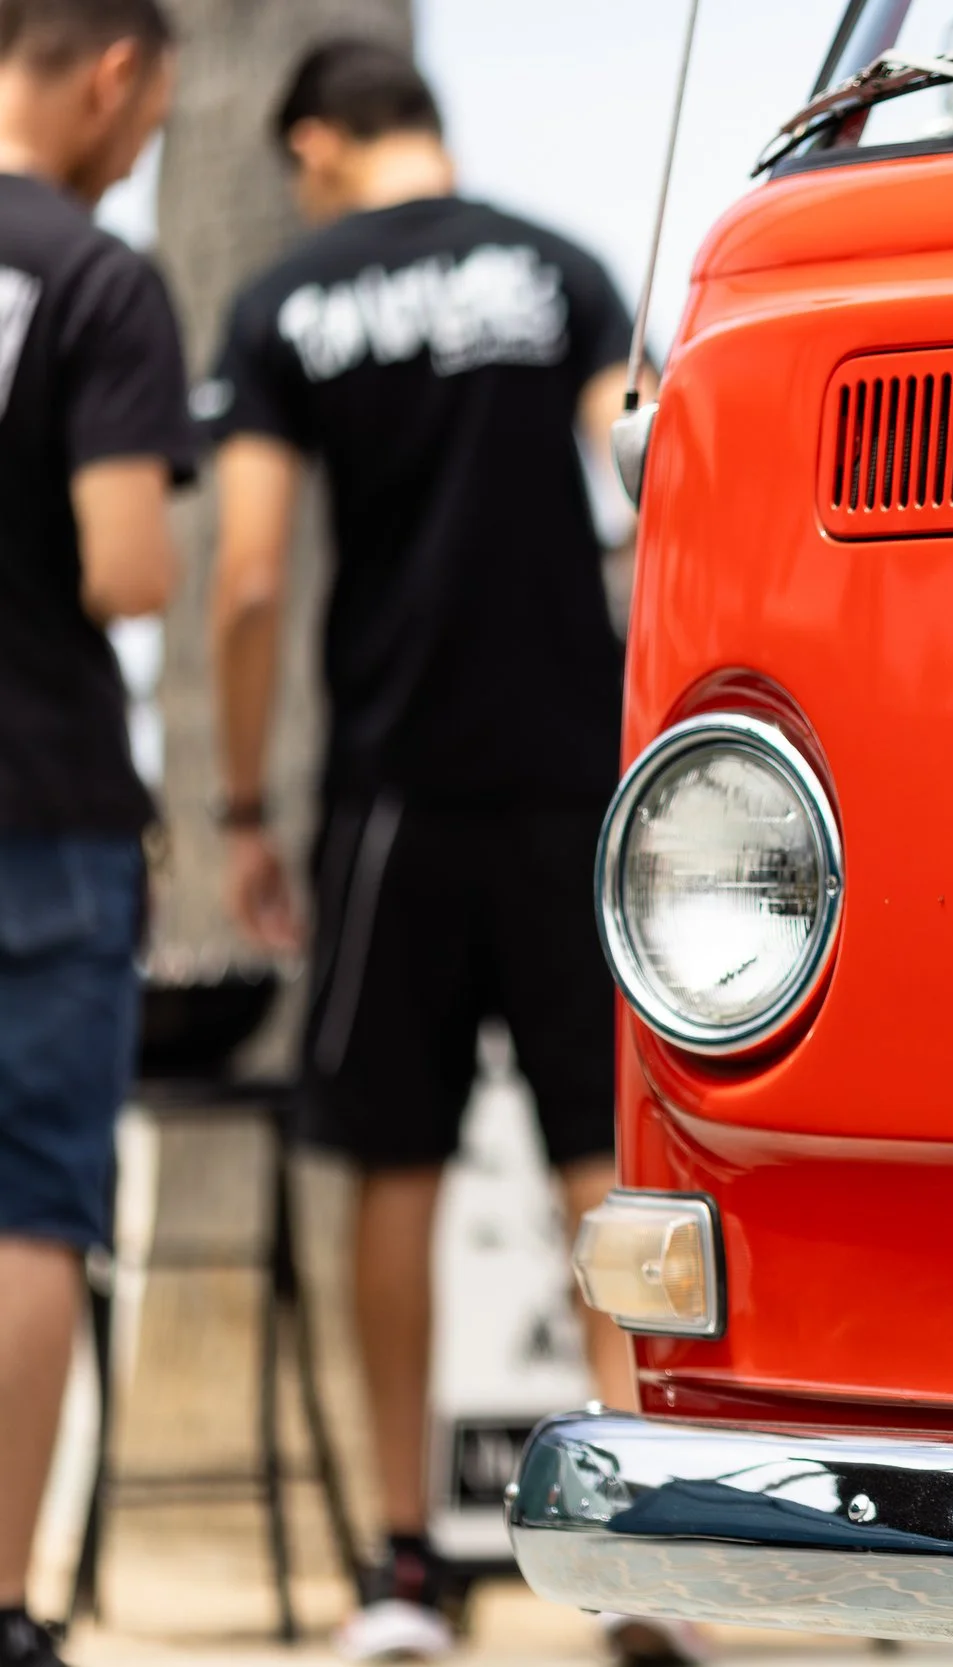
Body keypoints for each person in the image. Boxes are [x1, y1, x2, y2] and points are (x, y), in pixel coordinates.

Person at [200, 37, 668, 1665]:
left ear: (316, 143)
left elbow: (250, 578)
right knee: (598, 1159)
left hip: (390, 791)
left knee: (390, 1159)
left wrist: (246, 806)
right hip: (570, 777)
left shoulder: (286, 305)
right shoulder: (560, 269)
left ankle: (403, 1571)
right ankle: (644, 1559)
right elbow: (647, 472)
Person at [0, 4, 185, 1666]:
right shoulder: (99, 278)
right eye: (156, 118)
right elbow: (129, 567)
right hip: (40, 802)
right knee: (31, 1204)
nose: (145, 152)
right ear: (112, 68)